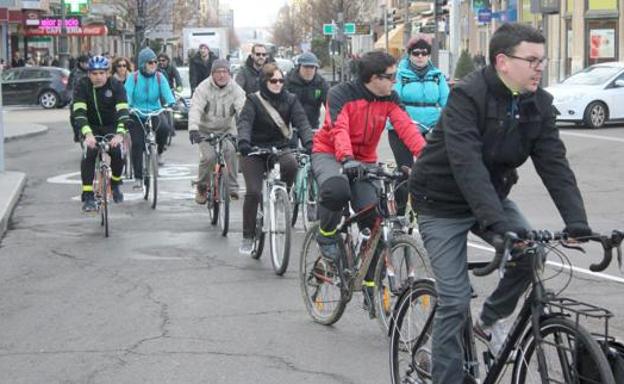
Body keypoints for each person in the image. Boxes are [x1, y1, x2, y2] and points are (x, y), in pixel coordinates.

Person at [408, 23, 592, 384]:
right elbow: (467, 164)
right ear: (503, 61)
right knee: (455, 300)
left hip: (490, 197)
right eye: (533, 60)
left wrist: (577, 223)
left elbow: (554, 164)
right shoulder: (468, 96)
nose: (540, 67)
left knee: (530, 253)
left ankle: (488, 321)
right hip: (440, 203)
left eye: (543, 60)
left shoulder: (539, 104)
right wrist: (497, 226)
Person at [311, 51, 426, 300]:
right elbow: (337, 127)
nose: (395, 81)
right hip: (331, 153)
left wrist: (427, 159)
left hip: (364, 161)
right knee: (336, 190)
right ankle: (327, 235)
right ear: (374, 78)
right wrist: (346, 158)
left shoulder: (390, 98)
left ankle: (370, 278)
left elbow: (406, 128)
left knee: (375, 217)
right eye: (391, 77)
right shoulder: (340, 94)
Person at [237, 63, 314, 254]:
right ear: (264, 82)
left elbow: (302, 122)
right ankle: (248, 235)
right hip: (254, 150)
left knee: (291, 164)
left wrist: (310, 142)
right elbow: (245, 122)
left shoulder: (291, 100)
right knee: (254, 192)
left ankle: (282, 196)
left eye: (281, 80)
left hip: (280, 147)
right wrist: (244, 142)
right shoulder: (253, 100)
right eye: (273, 81)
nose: (278, 84)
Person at [387, 34, 449, 216]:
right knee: (405, 172)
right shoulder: (400, 76)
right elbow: (394, 100)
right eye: (416, 53)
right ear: (410, 55)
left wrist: (449, 120)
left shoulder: (437, 76)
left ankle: (428, 208)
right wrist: (403, 118)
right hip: (402, 128)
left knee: (430, 169)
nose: (420, 57)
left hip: (430, 128)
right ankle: (399, 211)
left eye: (425, 53)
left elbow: (447, 102)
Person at [71, 55, 130, 212]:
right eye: (94, 73)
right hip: (91, 127)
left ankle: (116, 184)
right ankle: (88, 194)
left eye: (101, 73)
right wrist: (87, 134)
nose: (98, 77)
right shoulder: (82, 85)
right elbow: (79, 113)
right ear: (89, 74)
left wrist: (120, 134)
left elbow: (123, 111)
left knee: (118, 153)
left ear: (107, 73)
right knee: (89, 154)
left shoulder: (116, 85)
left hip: (112, 126)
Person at [188, 59, 245, 203]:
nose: (221, 75)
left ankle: (232, 187)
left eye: (225, 72)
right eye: (218, 72)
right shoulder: (203, 88)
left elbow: (243, 110)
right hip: (205, 130)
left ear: (229, 74)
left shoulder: (236, 89)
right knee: (209, 157)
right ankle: (201, 187)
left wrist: (246, 129)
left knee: (230, 151)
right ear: (212, 74)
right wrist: (193, 128)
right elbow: (195, 108)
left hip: (227, 130)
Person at [125, 47, 176, 190]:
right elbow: (127, 94)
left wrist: (171, 102)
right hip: (136, 114)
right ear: (142, 64)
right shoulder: (133, 78)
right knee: (137, 144)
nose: (154, 65)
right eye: (150, 62)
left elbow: (166, 92)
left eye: (155, 62)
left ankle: (159, 152)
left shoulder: (160, 77)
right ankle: (138, 178)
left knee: (165, 128)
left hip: (154, 111)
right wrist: (128, 106)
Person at [285, 51, 329, 131]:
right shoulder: (288, 81)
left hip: (312, 127)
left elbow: (330, 106)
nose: (309, 71)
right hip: (290, 128)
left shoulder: (321, 84)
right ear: (299, 67)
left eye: (312, 67)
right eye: (306, 67)